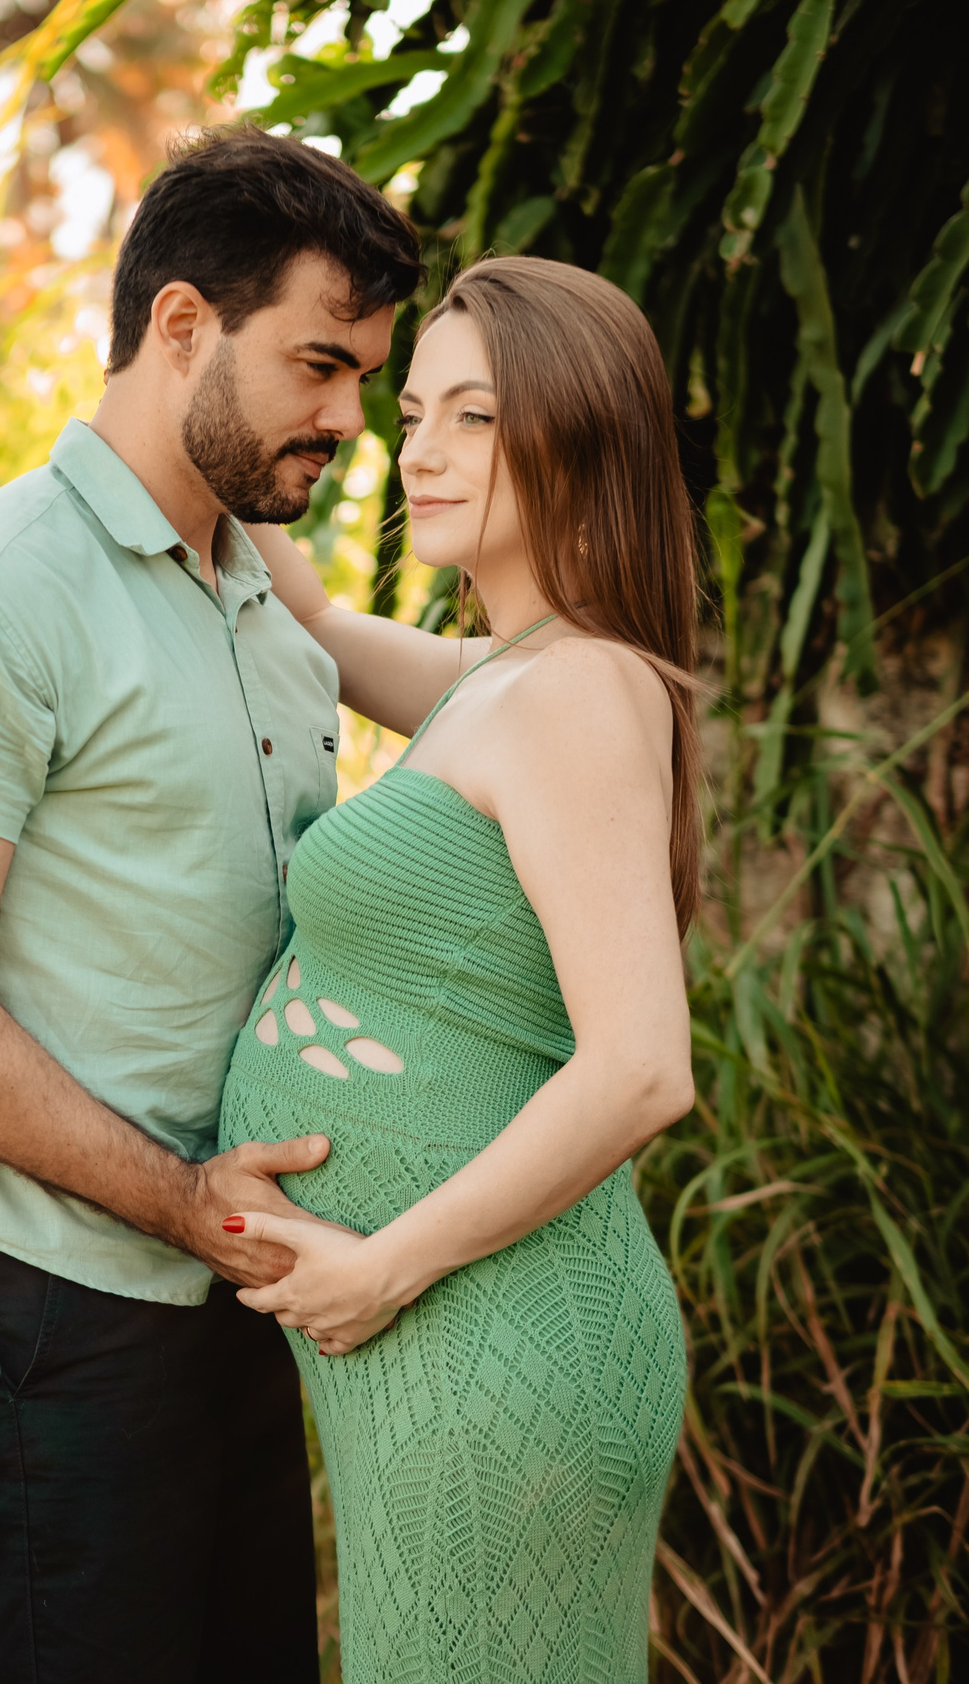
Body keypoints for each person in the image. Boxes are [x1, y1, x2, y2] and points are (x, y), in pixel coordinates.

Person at [0, 125, 419, 1683]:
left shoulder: (269, 611)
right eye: (317, 365)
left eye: (363, 378)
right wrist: (183, 1201)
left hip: (232, 1292)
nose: (348, 416)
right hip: (46, 1307)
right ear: (179, 327)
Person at [218, 254, 700, 1682]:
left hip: (486, 1337)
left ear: (583, 436)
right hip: (449, 1343)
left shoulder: (574, 692)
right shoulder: (506, 679)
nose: (418, 449)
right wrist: (206, 406)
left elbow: (641, 1064)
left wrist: (381, 1268)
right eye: (411, 411)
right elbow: (308, 626)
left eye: (474, 417)